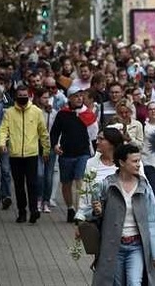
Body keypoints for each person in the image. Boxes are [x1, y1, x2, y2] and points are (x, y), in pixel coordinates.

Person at [74, 144, 155, 285]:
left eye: (139, 161)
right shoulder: (107, 185)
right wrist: (96, 211)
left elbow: (153, 220)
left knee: (134, 282)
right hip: (113, 246)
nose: (138, 165)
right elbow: (90, 213)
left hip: (137, 246)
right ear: (121, 162)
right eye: (134, 161)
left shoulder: (144, 187)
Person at [0, 86, 50, 223]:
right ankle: (22, 212)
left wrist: (46, 150)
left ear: (29, 95)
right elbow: (3, 130)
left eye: (24, 95)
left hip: (31, 153)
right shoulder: (9, 113)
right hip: (15, 155)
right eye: (20, 95)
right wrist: (2, 144)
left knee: (32, 183)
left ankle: (34, 210)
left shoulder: (36, 112)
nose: (22, 97)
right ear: (16, 96)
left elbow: (43, 133)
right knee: (19, 186)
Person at [51, 86, 96, 222]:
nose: (79, 98)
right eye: (76, 96)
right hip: (66, 154)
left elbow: (94, 135)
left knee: (80, 181)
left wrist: (95, 152)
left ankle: (80, 211)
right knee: (66, 184)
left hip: (83, 153)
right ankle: (70, 208)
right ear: (69, 98)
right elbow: (54, 133)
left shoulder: (88, 114)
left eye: (81, 96)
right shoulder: (62, 114)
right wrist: (55, 145)